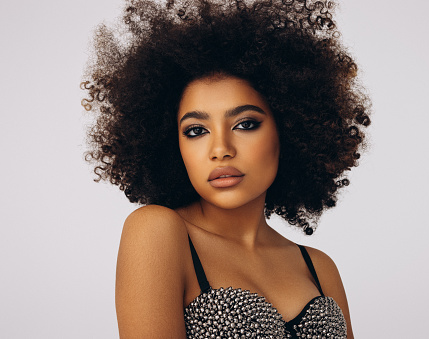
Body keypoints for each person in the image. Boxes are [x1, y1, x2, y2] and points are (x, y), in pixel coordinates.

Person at [82, 0, 370, 337]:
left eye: (246, 124)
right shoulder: (157, 232)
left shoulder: (320, 269)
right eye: (196, 131)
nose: (220, 150)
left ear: (288, 130)